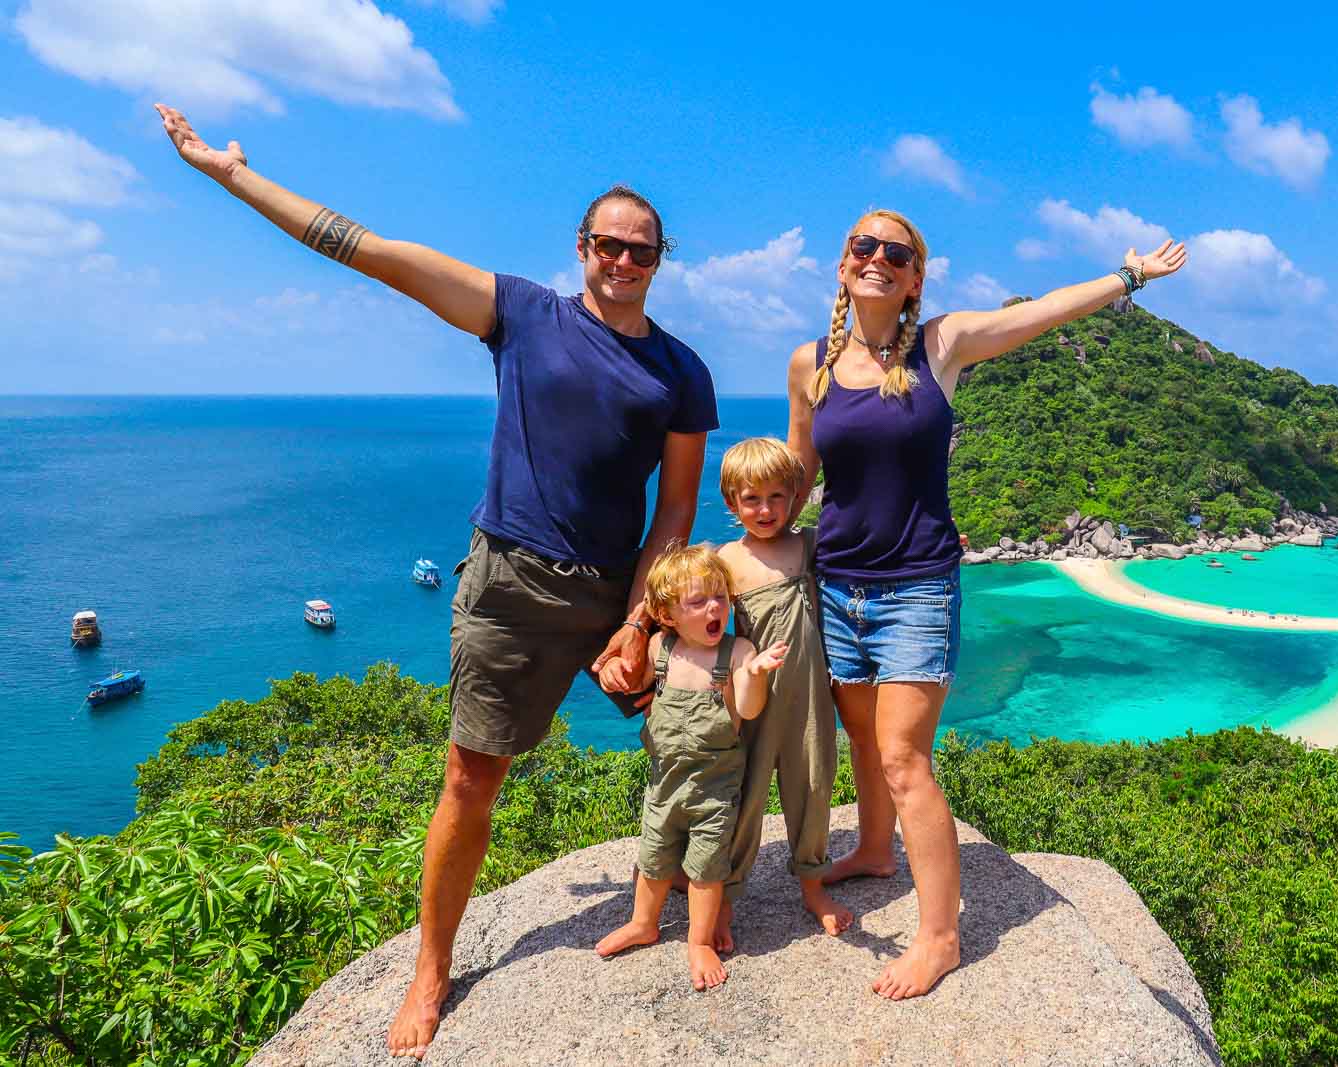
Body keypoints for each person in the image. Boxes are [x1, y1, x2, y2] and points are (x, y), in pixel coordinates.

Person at [153, 105, 718, 1057]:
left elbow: (673, 514)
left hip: (616, 592)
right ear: (581, 248)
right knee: (472, 776)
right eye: (609, 246)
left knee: (702, 729)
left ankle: (705, 912)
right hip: (509, 583)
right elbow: (364, 248)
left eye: (642, 251)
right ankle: (432, 969)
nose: (623, 263)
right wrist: (229, 174)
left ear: (661, 261)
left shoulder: (680, 370)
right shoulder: (521, 313)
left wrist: (637, 623)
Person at [786, 209, 1185, 1000]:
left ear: (914, 278)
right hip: (835, 582)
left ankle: (940, 936)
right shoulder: (810, 363)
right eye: (863, 246)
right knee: (862, 735)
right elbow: (800, 472)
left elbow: (1039, 316)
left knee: (904, 756)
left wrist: (1128, 276)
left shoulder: (943, 343)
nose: (878, 259)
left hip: (917, 585)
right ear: (842, 266)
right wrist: (754, 539)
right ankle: (873, 849)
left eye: (895, 253)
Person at [596, 544, 786, 990]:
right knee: (653, 856)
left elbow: (748, 709)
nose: (714, 608)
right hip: (663, 781)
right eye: (698, 602)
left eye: (719, 596)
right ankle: (644, 921)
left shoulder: (737, 652)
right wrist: (612, 672)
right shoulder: (662, 648)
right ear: (667, 615)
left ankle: (698, 941)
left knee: (704, 869)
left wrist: (756, 675)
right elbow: (634, 681)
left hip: (713, 788)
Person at [714, 438, 853, 939]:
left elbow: (865, 547)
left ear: (796, 496)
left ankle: (813, 884)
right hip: (752, 697)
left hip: (811, 695)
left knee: (813, 785)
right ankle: (725, 898)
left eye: (778, 496)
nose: (766, 509)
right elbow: (690, 614)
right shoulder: (725, 561)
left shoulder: (809, 543)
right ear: (732, 501)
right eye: (752, 499)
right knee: (744, 795)